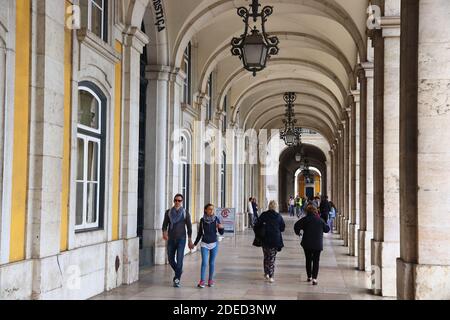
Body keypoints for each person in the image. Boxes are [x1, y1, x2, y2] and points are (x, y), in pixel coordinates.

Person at [162, 194, 194, 288]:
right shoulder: (168, 212)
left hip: (181, 239)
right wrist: (164, 232)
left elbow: (189, 227)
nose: (177, 202)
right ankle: (179, 270)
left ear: (182, 202)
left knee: (179, 259)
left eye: (179, 201)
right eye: (175, 200)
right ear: (173, 201)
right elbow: (165, 224)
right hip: (171, 239)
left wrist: (190, 239)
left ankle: (177, 279)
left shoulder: (185, 213)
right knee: (171, 259)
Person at [294, 204, 330, 286]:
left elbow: (296, 226)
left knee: (308, 260)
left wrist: (298, 233)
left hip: (307, 244)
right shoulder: (320, 220)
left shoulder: (305, 219)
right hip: (317, 244)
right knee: (316, 261)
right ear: (315, 211)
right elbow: (327, 229)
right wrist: (324, 223)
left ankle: (309, 276)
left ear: (307, 211)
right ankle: (314, 278)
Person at [194, 204, 225, 288]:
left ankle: (210, 280)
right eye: (210, 209)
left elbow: (221, 233)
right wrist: (195, 244)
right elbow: (200, 233)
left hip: (214, 244)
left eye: (212, 209)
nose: (211, 211)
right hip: (204, 244)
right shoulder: (202, 220)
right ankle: (202, 281)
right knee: (204, 262)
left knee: (211, 263)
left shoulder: (216, 219)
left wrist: (221, 227)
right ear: (205, 210)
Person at [254, 201, 286, 283]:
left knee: (266, 256)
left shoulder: (264, 215)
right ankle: (271, 275)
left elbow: (256, 225)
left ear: (269, 206)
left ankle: (266, 273)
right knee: (272, 258)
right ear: (276, 207)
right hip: (275, 239)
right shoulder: (278, 216)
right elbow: (282, 228)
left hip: (265, 239)